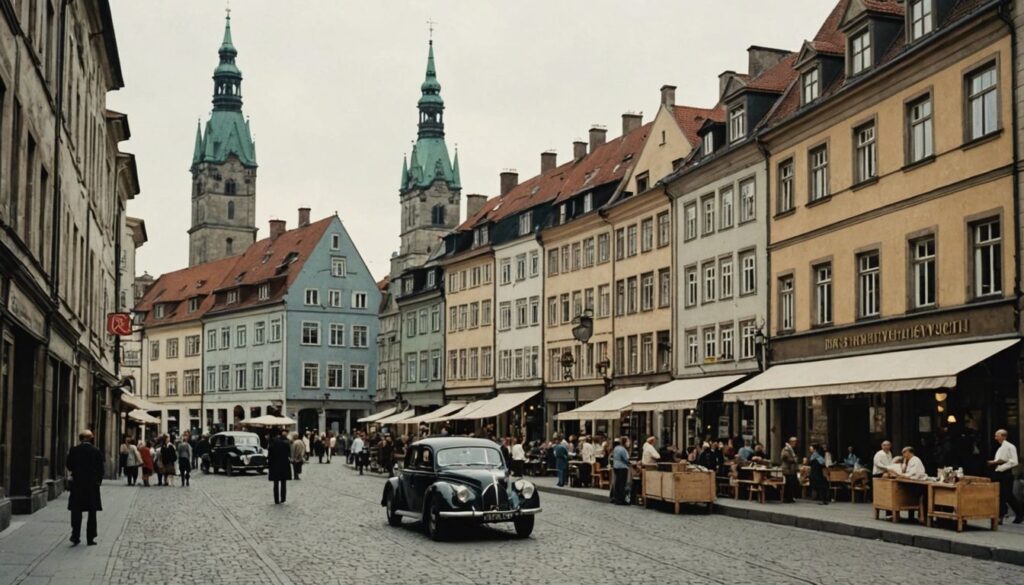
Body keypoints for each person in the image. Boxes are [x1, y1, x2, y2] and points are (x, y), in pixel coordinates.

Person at [66, 430, 103, 546]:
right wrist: (98, 481)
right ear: (91, 439)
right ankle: (90, 537)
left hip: (77, 484)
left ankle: (75, 536)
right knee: (92, 512)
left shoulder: (74, 450)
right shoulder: (96, 451)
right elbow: (101, 469)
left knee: (76, 511)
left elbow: (69, 465)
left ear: (80, 439)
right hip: (92, 485)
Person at [987, 429, 1023, 524]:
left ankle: (1005, 515)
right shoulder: (1001, 447)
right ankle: (1014, 514)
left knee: (1006, 495)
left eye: (997, 436)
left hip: (1005, 473)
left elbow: (1014, 461)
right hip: (999, 473)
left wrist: (999, 464)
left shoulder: (1010, 447)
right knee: (1003, 495)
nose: (995, 438)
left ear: (1003, 436)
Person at [267, 429, 292, 504]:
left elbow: (269, 457)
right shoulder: (285, 443)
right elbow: (288, 454)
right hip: (284, 465)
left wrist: (269, 465)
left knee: (276, 483)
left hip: (275, 466)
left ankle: (276, 500)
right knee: (283, 483)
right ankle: (283, 499)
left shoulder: (271, 444)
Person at [611, 438, 630, 505]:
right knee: (622, 483)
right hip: (622, 467)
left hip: (616, 466)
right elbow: (625, 459)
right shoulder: (623, 449)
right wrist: (629, 462)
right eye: (628, 441)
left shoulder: (616, 448)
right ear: (624, 442)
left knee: (617, 483)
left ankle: (616, 498)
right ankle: (621, 499)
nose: (629, 443)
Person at [781, 436, 799, 503]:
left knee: (791, 484)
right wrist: (793, 459)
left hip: (791, 470)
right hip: (787, 469)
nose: (796, 443)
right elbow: (784, 456)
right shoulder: (786, 449)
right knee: (788, 484)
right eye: (794, 442)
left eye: (796, 442)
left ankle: (790, 497)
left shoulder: (791, 449)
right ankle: (787, 498)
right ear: (791, 442)